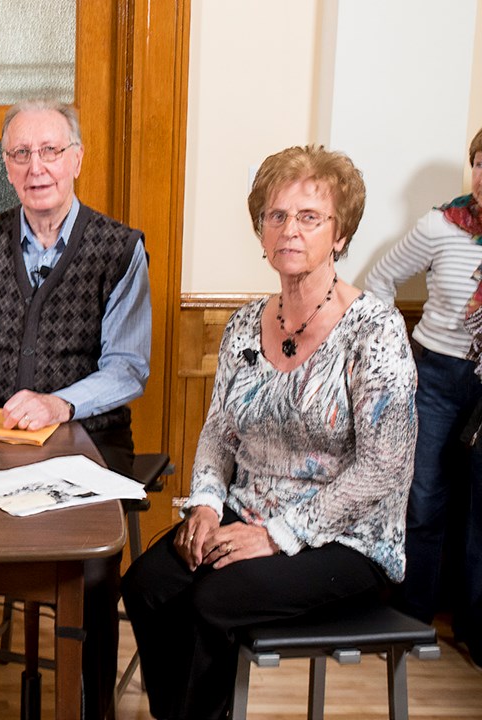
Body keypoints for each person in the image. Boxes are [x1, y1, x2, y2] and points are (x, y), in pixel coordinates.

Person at [121, 145, 416, 720]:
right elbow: (219, 432)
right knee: (148, 583)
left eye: (310, 217)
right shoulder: (241, 326)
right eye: (276, 216)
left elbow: (386, 466)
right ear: (261, 232)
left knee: (215, 596)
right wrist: (205, 504)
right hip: (248, 512)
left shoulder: (374, 329)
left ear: (340, 233)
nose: (290, 230)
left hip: (348, 539)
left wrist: (279, 533)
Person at [0, 99, 151, 720]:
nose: (36, 166)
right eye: (21, 154)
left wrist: (60, 402)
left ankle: (90, 710)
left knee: (94, 573)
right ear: (7, 165)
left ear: (76, 158)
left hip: (87, 438)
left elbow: (129, 368)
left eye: (51, 151)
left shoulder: (120, 248)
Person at [366, 127, 482, 664]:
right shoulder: (440, 226)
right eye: (479, 163)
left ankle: (473, 627)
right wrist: (392, 353)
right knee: (426, 498)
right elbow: (379, 279)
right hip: (436, 375)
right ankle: (413, 617)